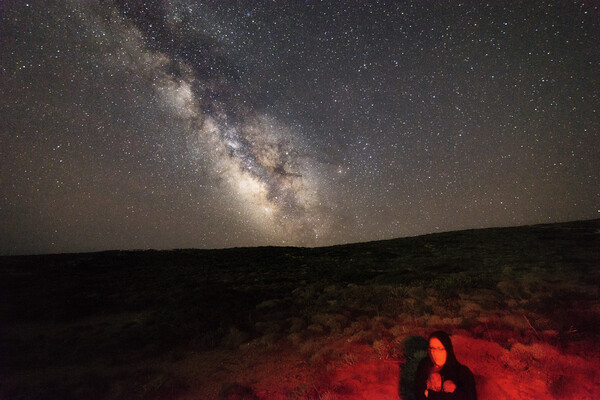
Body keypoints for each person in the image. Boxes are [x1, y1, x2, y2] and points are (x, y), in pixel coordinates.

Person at [414, 331, 477, 400]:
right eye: (432, 348)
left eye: (439, 348)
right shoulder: (424, 365)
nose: (434, 353)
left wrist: (431, 395)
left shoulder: (462, 372)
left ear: (447, 349)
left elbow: (469, 398)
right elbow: (418, 392)